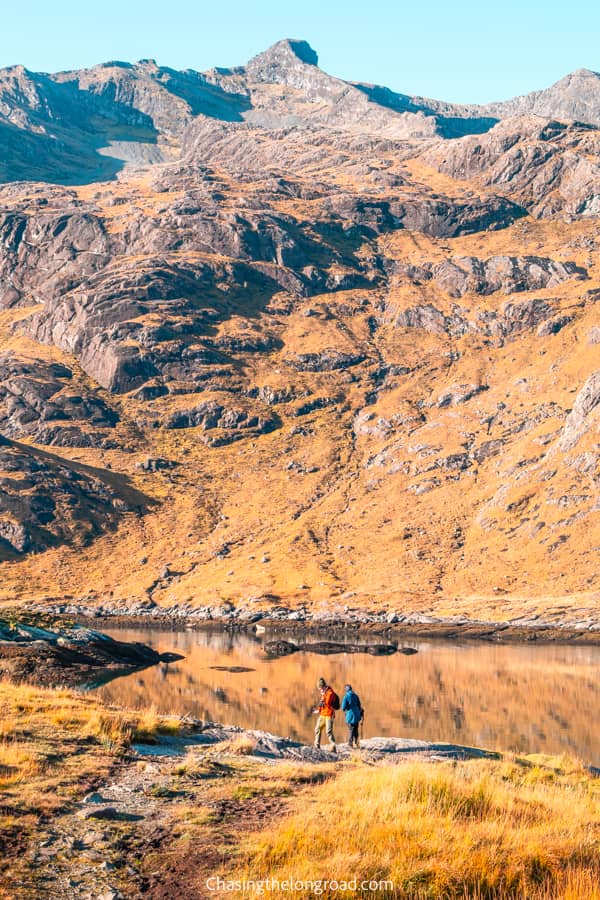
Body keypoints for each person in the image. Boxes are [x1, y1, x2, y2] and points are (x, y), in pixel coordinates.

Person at [313, 677, 337, 751]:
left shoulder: (330, 692)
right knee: (317, 729)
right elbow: (322, 704)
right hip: (323, 714)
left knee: (328, 731)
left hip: (329, 714)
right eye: (319, 689)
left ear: (323, 686)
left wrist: (324, 694)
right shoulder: (324, 693)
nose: (320, 690)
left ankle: (333, 746)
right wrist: (318, 710)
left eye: (320, 688)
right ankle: (317, 745)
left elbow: (327, 702)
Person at [341, 683, 363, 748]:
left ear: (346, 690)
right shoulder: (356, 695)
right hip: (357, 715)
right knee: (355, 728)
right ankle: (357, 742)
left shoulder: (346, 696)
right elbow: (359, 705)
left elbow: (343, 707)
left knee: (351, 729)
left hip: (350, 715)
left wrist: (346, 710)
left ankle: (350, 743)